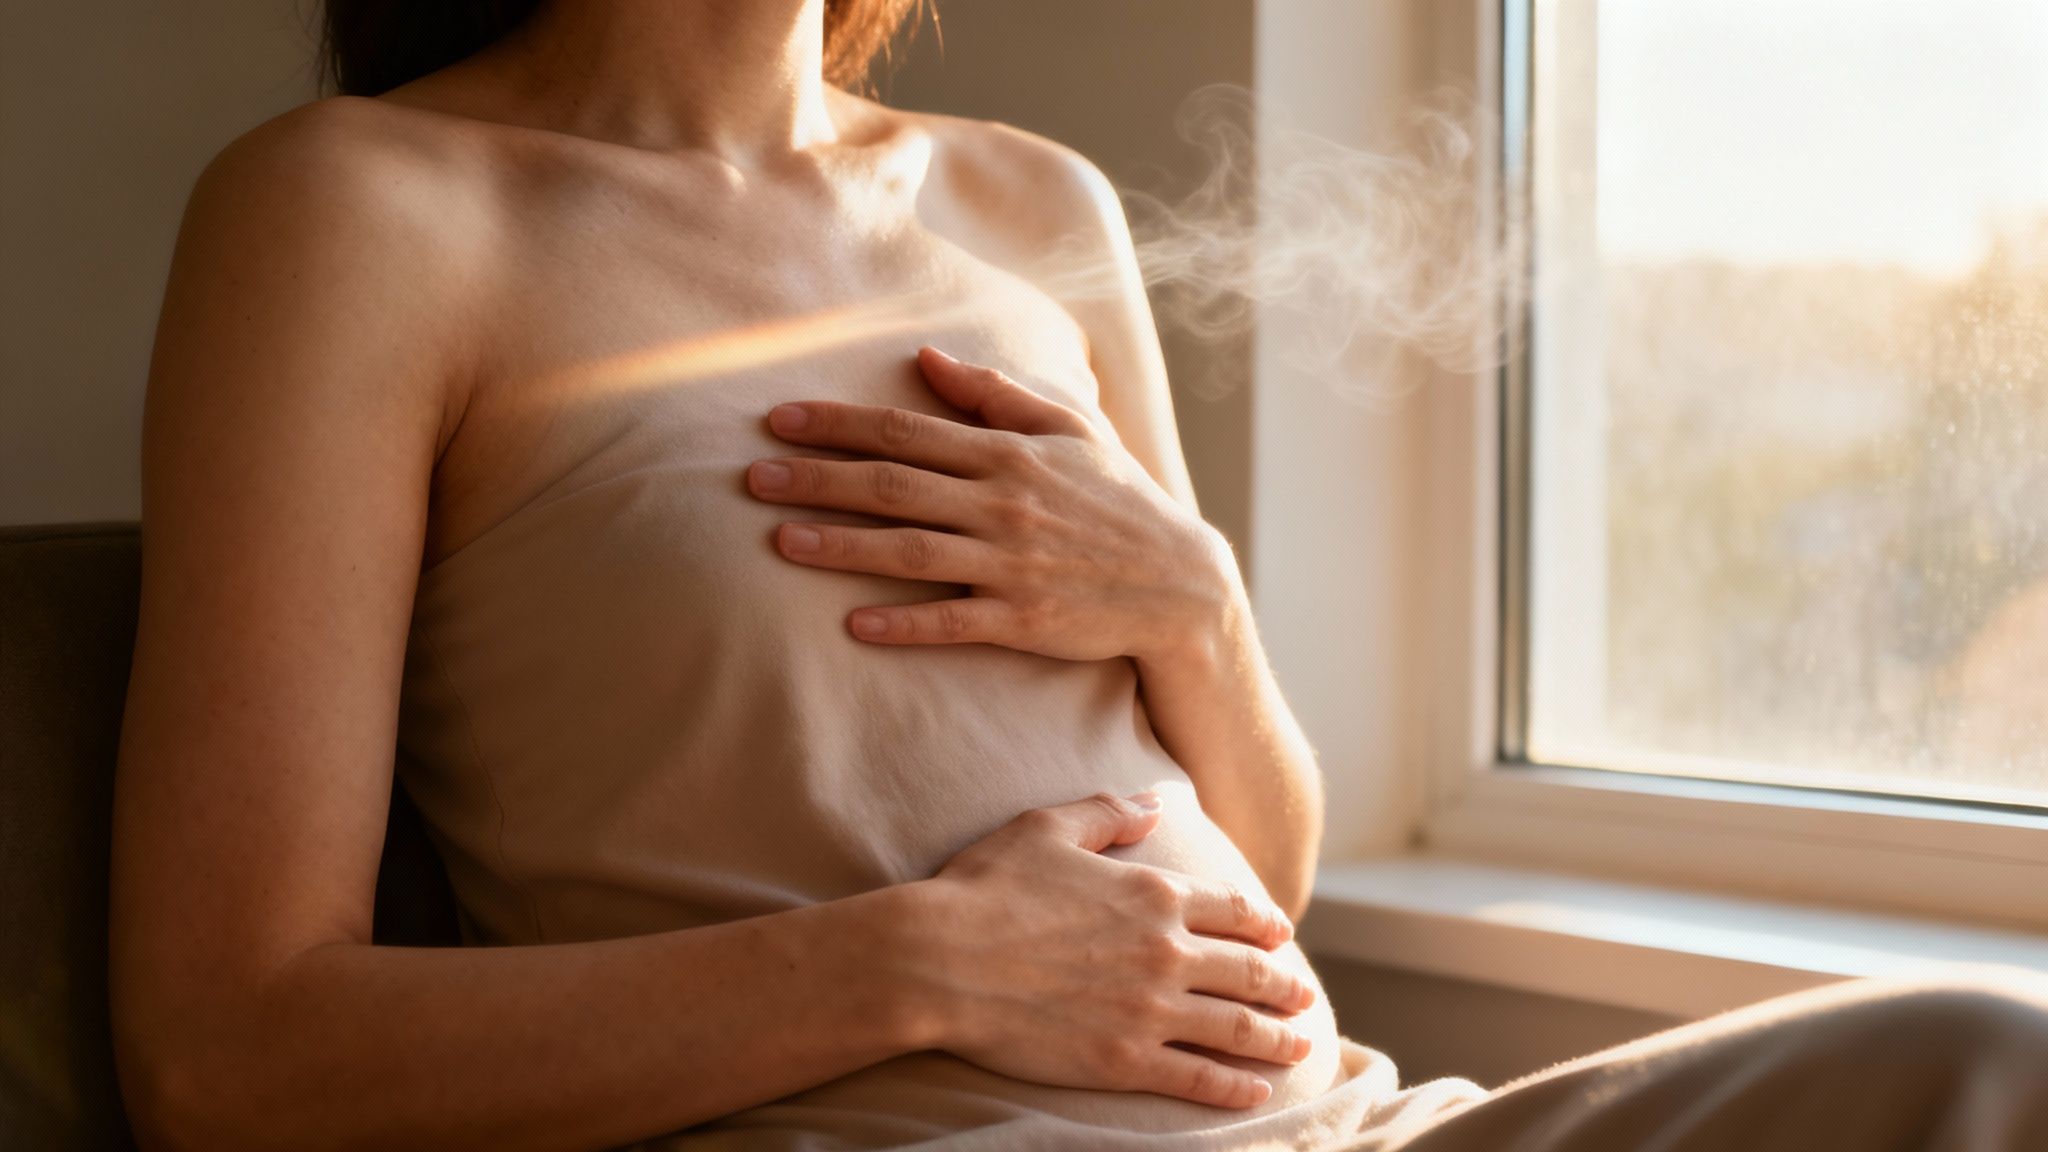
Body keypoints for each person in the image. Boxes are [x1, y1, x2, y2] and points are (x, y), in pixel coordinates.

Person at [107, 2, 2048, 1149]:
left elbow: (1258, 875)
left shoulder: (1031, 201)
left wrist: (1196, 608)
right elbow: (223, 1056)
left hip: (1355, 1125)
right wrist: (919, 962)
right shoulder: (360, 209)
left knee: (1986, 1061)